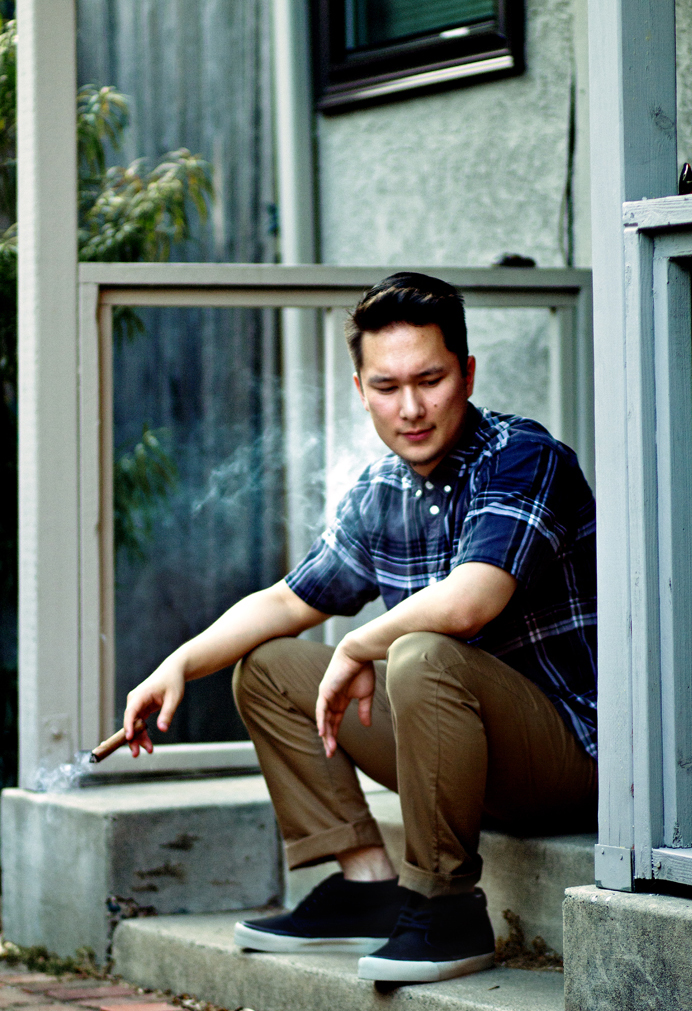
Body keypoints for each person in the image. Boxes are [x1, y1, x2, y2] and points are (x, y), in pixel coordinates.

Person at [123, 272, 597, 985]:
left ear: (467, 374)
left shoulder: (523, 456)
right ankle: (370, 883)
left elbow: (471, 601)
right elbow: (287, 601)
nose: (410, 407)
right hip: (458, 757)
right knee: (269, 667)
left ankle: (446, 905)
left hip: (570, 754)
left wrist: (356, 643)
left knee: (422, 654)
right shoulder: (381, 491)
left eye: (430, 380)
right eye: (386, 386)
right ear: (360, 389)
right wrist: (178, 664)